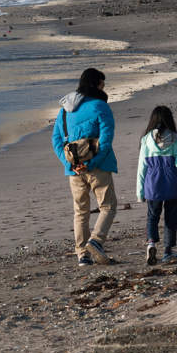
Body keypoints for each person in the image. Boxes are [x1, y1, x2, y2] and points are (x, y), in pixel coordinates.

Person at [52, 68, 118, 266]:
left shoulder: (64, 111)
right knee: (108, 206)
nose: (104, 89)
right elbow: (106, 140)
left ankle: (82, 255)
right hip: (98, 166)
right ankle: (96, 241)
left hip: (74, 169)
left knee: (81, 211)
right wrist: (90, 163)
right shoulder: (101, 106)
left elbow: (57, 141)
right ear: (93, 85)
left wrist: (71, 165)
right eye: (102, 85)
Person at [136, 106, 177, 265]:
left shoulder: (146, 139)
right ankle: (167, 251)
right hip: (172, 181)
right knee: (171, 217)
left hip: (152, 181)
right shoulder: (175, 138)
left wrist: (140, 192)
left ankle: (151, 243)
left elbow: (141, 167)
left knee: (152, 215)